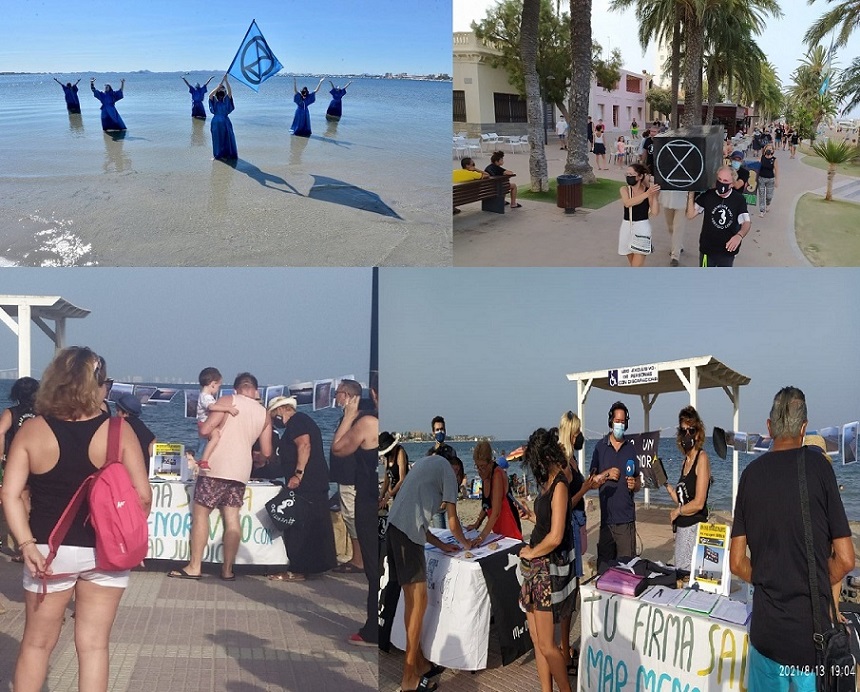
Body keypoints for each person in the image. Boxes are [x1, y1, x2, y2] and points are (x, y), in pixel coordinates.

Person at [1, 347, 151, 692]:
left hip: (47, 550)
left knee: (37, 644)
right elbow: (143, 497)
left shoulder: (32, 430)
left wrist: (24, 544)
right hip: (105, 551)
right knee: (94, 645)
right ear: (97, 385)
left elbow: (9, 494)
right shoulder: (118, 430)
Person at [730, 386, 854, 691]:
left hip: (766, 635)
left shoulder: (750, 476)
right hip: (810, 641)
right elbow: (846, 559)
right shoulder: (820, 470)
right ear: (804, 428)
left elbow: (735, 562)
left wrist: (770, 577)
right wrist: (816, 583)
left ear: (769, 427)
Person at [386, 443, 477, 692]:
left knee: (414, 602)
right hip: (407, 537)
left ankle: (421, 663)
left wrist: (442, 545)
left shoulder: (425, 463)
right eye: (459, 476)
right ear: (456, 467)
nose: (457, 480)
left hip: (395, 530)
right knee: (418, 603)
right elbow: (452, 521)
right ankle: (408, 678)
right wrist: (467, 543)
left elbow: (417, 519)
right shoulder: (448, 470)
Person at [168, 372, 272, 581]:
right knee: (233, 519)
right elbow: (267, 452)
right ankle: (227, 569)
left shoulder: (227, 401)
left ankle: (195, 566)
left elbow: (206, 429)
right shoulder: (264, 413)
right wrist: (255, 456)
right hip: (241, 471)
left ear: (235, 389)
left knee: (201, 515)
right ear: (256, 390)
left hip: (215, 468)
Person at [518, 428, 574, 692]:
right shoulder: (547, 483)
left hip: (546, 568)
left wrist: (530, 552)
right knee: (537, 639)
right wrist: (531, 516)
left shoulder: (561, 484)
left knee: (548, 645)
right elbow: (546, 523)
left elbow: (556, 536)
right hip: (535, 568)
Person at [264, 397, 337, 583]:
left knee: (300, 525)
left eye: (273, 416)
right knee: (315, 523)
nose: (274, 421)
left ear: (281, 410)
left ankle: (298, 568)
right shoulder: (300, 422)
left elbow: (304, 445)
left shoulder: (297, 421)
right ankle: (316, 565)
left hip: (307, 482)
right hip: (315, 481)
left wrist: (298, 474)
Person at [331, 379, 379, 647]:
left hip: (370, 501)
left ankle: (374, 628)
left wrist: (349, 416)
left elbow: (338, 449)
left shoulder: (368, 423)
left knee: (374, 569)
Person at [556, 412, 599, 674]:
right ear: (570, 432)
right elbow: (563, 504)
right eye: (578, 431)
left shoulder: (570, 458)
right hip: (569, 527)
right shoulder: (563, 462)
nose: (581, 435)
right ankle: (563, 649)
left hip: (576, 525)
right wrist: (586, 489)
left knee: (571, 591)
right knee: (569, 592)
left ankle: (563, 647)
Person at [590, 402, 640, 566]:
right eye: (617, 421)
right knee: (604, 571)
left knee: (627, 571)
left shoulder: (630, 449)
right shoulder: (600, 447)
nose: (620, 424)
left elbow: (638, 482)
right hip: (606, 522)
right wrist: (606, 474)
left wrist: (635, 484)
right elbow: (592, 482)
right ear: (611, 421)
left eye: (623, 421)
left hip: (626, 521)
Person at [663, 406, 711, 572]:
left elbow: (698, 503)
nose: (687, 435)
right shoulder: (685, 461)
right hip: (681, 529)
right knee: (680, 572)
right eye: (683, 431)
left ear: (698, 433)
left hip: (694, 528)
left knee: (686, 574)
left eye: (691, 430)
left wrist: (677, 512)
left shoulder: (701, 458)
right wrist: (665, 484)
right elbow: (682, 499)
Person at [0, 376, 39, 562]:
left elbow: (0, 432)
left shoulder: (11, 412)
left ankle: (25, 544)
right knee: (31, 498)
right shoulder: (42, 413)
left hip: (17, 461)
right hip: (38, 460)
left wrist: (1, 455)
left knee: (19, 497)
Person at [330, 379, 365, 575]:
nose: (336, 397)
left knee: (352, 517)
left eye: (338, 393)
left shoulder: (354, 419)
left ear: (347, 396)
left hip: (351, 478)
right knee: (350, 517)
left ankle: (359, 559)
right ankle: (357, 557)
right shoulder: (348, 418)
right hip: (346, 477)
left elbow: (342, 446)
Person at [686, 166, 751, 267]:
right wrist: (691, 194)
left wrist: (739, 236)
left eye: (725, 180)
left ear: (732, 183)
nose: (721, 183)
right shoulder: (708, 195)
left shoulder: (739, 200)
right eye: (719, 179)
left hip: (727, 252)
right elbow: (690, 215)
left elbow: (746, 222)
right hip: (707, 250)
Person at [466, 439, 522, 541]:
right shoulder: (485, 475)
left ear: (490, 462)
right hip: (498, 529)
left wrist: (481, 537)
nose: (480, 470)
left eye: (482, 466)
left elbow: (496, 511)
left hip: (511, 528)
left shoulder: (497, 475)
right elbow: (486, 505)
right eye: (477, 466)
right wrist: (477, 524)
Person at [195, 367, 239, 471]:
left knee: (206, 442)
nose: (218, 390)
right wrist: (228, 408)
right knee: (216, 437)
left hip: (204, 422)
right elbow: (212, 407)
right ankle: (204, 460)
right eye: (218, 387)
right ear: (213, 384)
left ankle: (202, 457)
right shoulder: (206, 397)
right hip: (205, 423)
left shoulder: (204, 396)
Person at [618, 162, 660, 267]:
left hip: (642, 227)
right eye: (627, 175)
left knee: (636, 267)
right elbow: (627, 203)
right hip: (627, 227)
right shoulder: (624, 189)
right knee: (633, 265)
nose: (629, 177)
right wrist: (647, 194)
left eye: (632, 175)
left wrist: (654, 196)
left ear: (640, 176)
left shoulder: (648, 191)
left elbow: (655, 212)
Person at [114, 392, 156, 462]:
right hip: (144, 464)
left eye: (118, 411)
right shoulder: (140, 424)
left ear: (126, 413)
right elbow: (153, 440)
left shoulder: (122, 424)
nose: (116, 413)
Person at [208, 77, 237, 160]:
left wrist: (226, 81)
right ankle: (217, 155)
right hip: (216, 122)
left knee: (226, 137)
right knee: (216, 138)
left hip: (225, 121)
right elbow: (210, 95)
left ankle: (227, 154)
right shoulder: (214, 100)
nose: (221, 91)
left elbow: (230, 92)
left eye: (223, 90)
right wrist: (218, 87)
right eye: (220, 90)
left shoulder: (226, 100)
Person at [379, 431, 409, 508]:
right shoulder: (387, 457)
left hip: (406, 492)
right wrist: (381, 497)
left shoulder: (400, 452)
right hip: (395, 493)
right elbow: (387, 479)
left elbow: (402, 479)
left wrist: (388, 496)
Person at [662, 189, 688, 267]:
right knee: (670, 227)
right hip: (667, 200)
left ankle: (675, 256)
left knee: (678, 229)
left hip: (682, 201)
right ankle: (678, 246)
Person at [757, 144, 779, 218]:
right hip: (761, 178)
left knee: (769, 196)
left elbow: (776, 170)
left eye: (770, 149)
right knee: (761, 194)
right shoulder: (762, 157)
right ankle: (762, 210)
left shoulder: (774, 159)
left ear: (773, 150)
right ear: (765, 150)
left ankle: (767, 204)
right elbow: (757, 166)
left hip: (770, 179)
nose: (769, 150)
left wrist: (776, 180)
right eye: (767, 148)